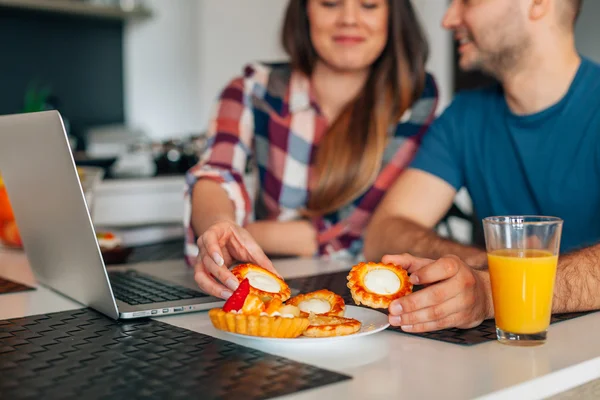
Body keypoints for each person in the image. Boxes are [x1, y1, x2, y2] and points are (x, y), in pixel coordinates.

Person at [362, 0, 600, 332]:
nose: (449, 19)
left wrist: (495, 290)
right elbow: (383, 232)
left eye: (468, 1)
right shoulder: (464, 116)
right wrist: (473, 269)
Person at [184, 0, 439, 299]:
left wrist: (245, 233)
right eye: (330, 3)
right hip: (266, 290)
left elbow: (356, 231)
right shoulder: (253, 88)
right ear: (305, 11)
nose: (349, 19)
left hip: (372, 298)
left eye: (369, 5)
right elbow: (216, 175)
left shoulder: (415, 96)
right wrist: (219, 227)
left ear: (394, 15)